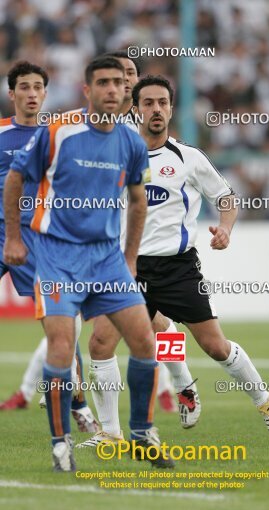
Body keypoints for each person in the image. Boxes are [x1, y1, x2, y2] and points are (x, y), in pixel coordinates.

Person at [78, 75, 269, 448]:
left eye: (162, 103)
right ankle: (110, 434)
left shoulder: (188, 158)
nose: (155, 110)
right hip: (127, 267)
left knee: (215, 346)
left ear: (171, 109)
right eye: (148, 103)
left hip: (177, 269)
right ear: (136, 108)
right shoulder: (117, 153)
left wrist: (225, 228)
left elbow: (226, 197)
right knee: (100, 344)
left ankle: (264, 400)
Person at [3, 57, 174, 471]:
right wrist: (11, 237)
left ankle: (141, 433)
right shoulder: (58, 132)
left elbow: (137, 201)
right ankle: (61, 443)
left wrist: (130, 259)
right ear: (88, 90)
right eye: (104, 83)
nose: (114, 89)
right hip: (58, 255)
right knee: (62, 346)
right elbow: (15, 179)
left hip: (107, 259)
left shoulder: (131, 142)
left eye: (119, 83)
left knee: (145, 341)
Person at [0, 60, 99, 433]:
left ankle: (78, 403)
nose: (30, 94)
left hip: (39, 241)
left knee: (61, 321)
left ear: (45, 93)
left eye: (37, 87)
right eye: (23, 87)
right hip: (2, 232)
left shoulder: (57, 135)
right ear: (12, 94)